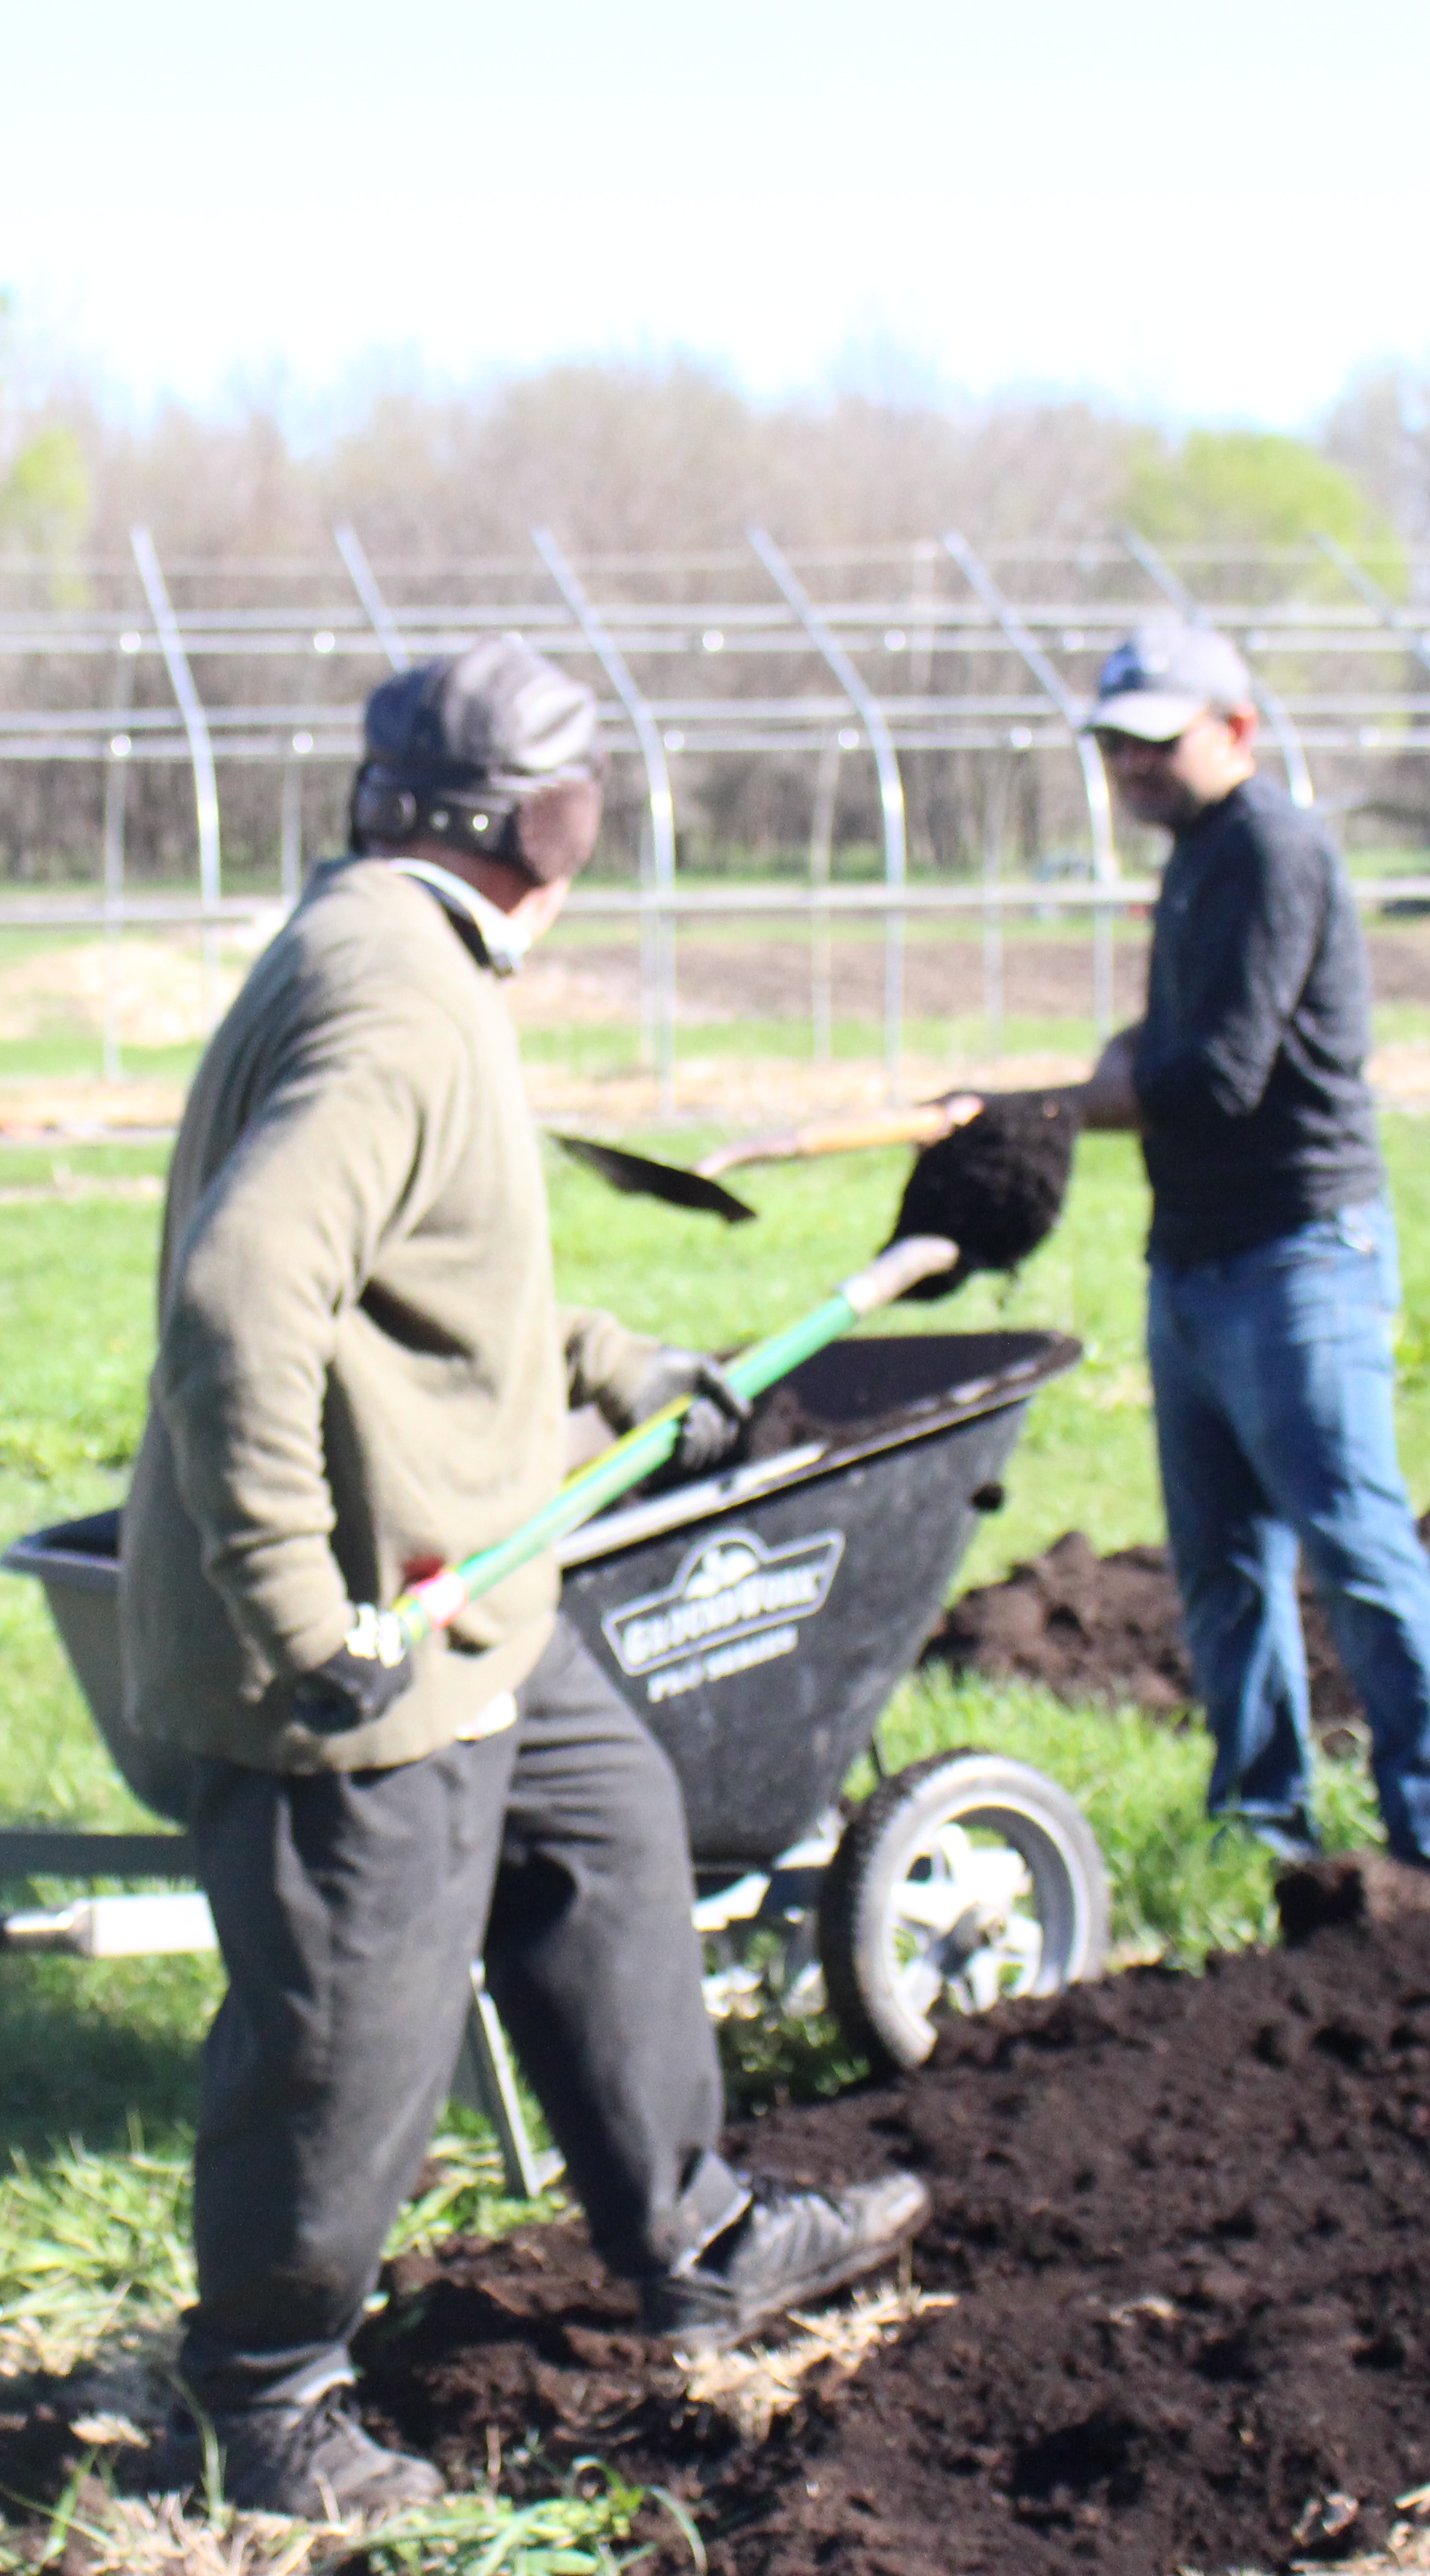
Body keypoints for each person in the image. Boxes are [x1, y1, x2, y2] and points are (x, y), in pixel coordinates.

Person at [117, 635, 931, 2519]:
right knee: (356, 2028)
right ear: (545, 828)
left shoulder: (399, 958)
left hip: (489, 1595)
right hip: (372, 1635)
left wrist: (616, 1363)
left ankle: (696, 2229)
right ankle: (266, 2396)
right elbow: (246, 1297)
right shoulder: (397, 1001)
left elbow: (444, 1268)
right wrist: (298, 1614)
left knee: (606, 1824)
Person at [1067, 621, 1430, 1902]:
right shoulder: (1202, 859)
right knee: (1223, 1573)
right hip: (1196, 1261)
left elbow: (1216, 1074)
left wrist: (1066, 1102)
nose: (1133, 770)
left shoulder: (1272, 849)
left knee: (1358, 1553)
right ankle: (1261, 1826)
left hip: (1297, 1256)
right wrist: (1092, 1073)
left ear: (1238, 730)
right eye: (1116, 749)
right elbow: (1174, 1035)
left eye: (1157, 744)